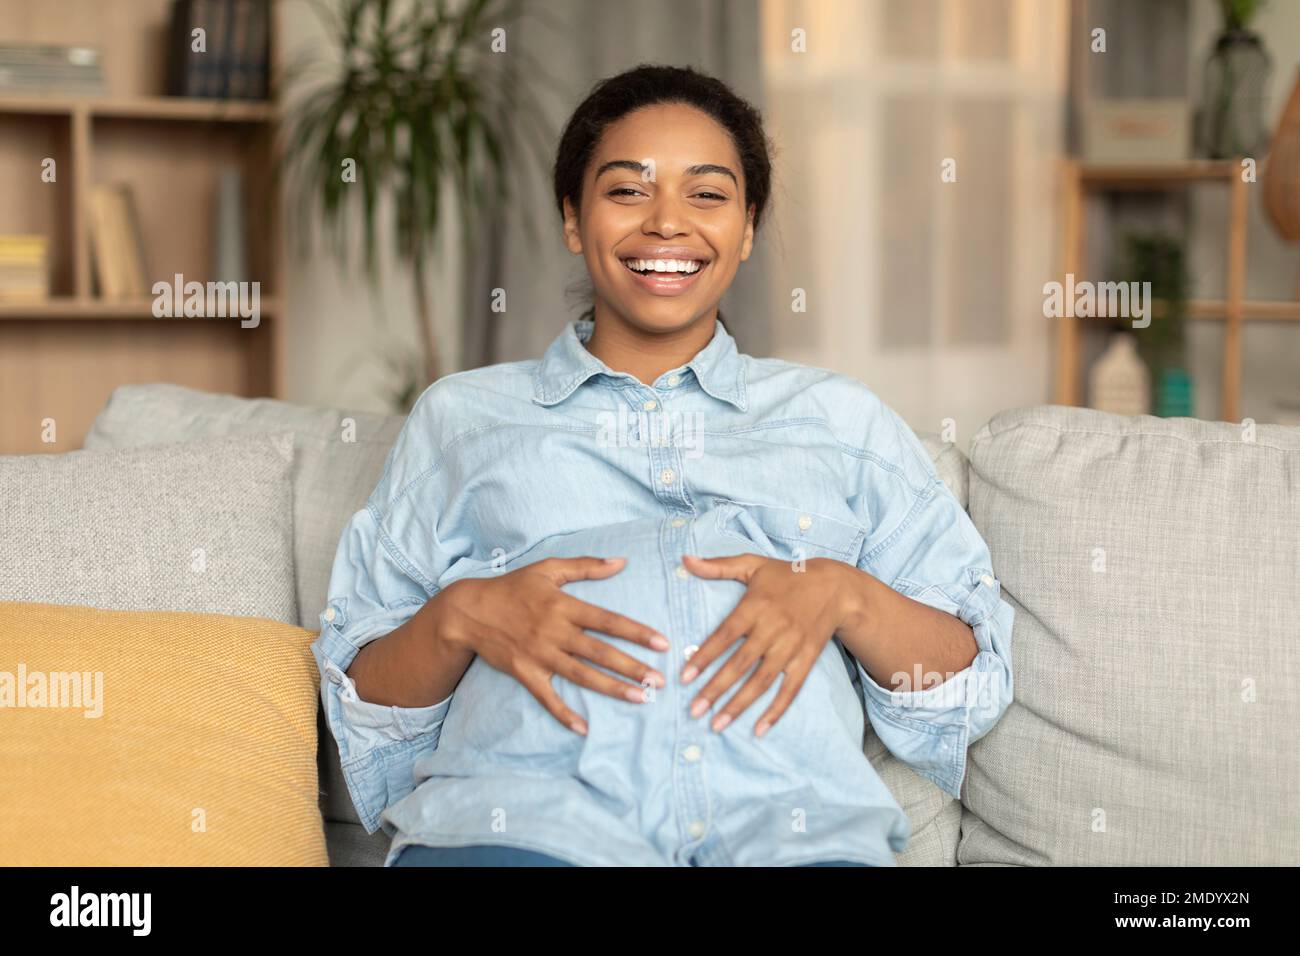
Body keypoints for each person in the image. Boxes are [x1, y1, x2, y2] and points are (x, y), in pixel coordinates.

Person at [311, 64, 1014, 867]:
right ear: (574, 219)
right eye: (627, 191)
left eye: (708, 195)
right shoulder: (462, 419)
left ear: (747, 228)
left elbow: (966, 682)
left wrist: (845, 594)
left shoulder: (838, 420)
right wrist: (461, 615)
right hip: (518, 823)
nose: (667, 223)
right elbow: (364, 705)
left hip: (792, 829)